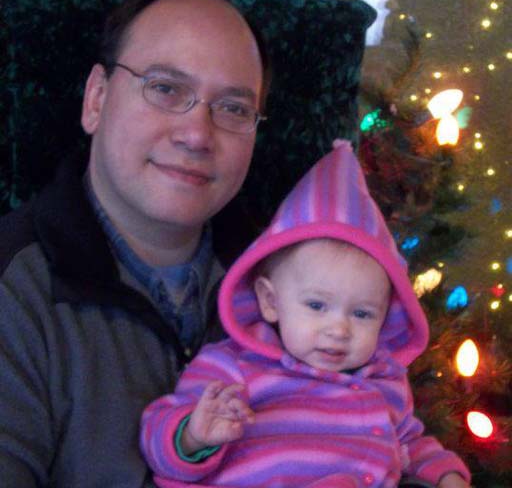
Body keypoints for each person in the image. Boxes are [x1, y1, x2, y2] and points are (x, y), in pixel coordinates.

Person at [0, 0, 270, 487]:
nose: (196, 134)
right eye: (165, 88)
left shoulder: (286, 278)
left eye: (233, 108)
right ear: (96, 100)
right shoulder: (14, 291)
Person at [140, 140, 472, 488]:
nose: (339, 330)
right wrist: (192, 436)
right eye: (316, 306)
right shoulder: (232, 365)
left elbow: (410, 443)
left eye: (362, 314)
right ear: (270, 301)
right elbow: (156, 434)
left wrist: (447, 475)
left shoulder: (384, 381)